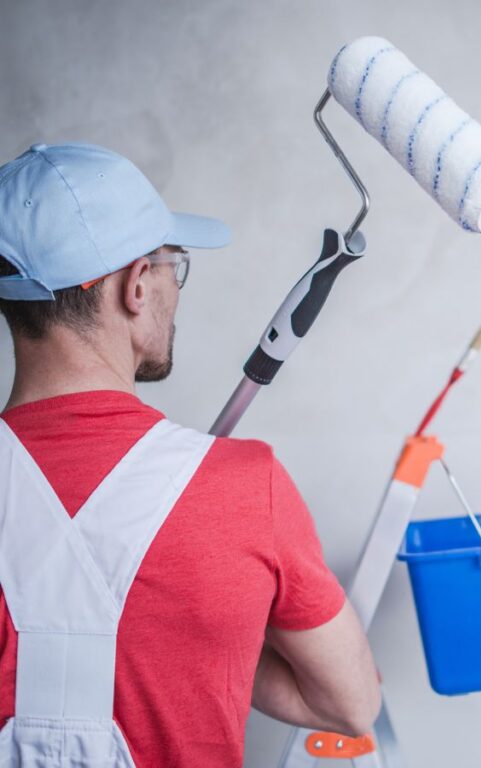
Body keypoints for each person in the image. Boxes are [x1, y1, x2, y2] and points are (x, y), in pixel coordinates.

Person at [0, 142, 381, 766]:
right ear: (135, 286)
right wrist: (217, 633)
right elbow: (352, 704)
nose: (176, 287)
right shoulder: (244, 488)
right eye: (172, 264)